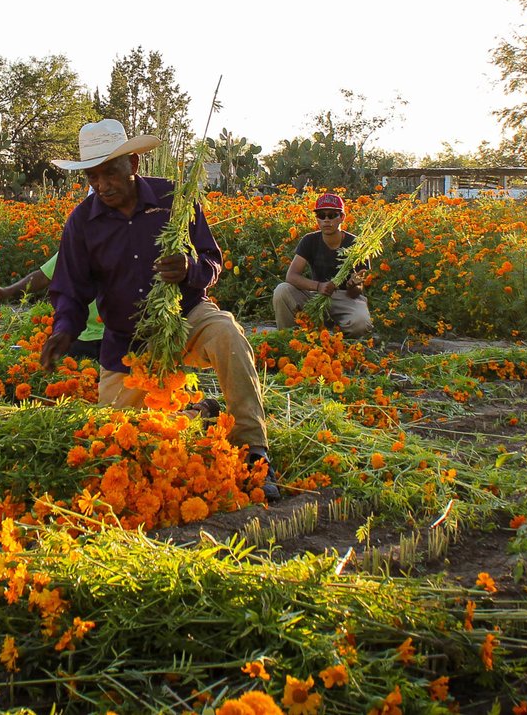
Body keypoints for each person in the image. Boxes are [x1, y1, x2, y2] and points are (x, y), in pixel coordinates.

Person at [41, 119, 278, 499]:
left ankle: (254, 451)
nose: (102, 186)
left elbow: (211, 259)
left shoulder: (175, 199)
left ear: (133, 164)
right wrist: (64, 329)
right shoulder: (82, 222)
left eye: (110, 173)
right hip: (127, 340)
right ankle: (201, 416)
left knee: (228, 334)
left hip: (185, 317)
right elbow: (70, 288)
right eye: (92, 177)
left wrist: (190, 268)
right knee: (121, 441)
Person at [272, 192, 373, 335]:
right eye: (321, 215)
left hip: (346, 298)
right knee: (282, 290)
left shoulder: (357, 244)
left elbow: (359, 288)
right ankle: (288, 337)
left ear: (342, 218)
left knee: (361, 323)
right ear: (317, 219)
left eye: (332, 215)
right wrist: (318, 286)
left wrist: (354, 285)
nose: (326, 220)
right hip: (316, 294)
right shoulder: (309, 240)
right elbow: (292, 276)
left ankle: (330, 332)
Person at [0, 251, 103, 362]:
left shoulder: (119, 244)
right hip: (81, 336)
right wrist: (8, 291)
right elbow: (43, 277)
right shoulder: (76, 246)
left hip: (114, 337)